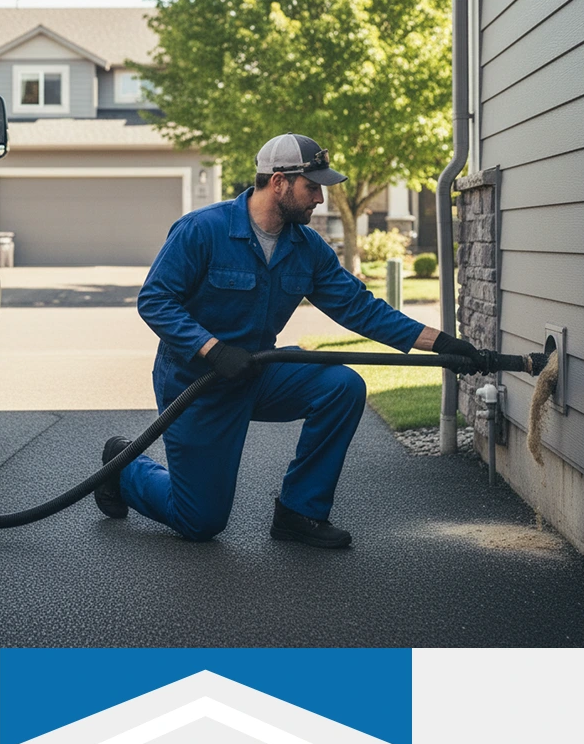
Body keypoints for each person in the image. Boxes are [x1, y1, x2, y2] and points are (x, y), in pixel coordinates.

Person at [94, 133, 484, 548]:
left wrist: (441, 343)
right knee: (200, 521)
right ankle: (125, 467)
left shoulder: (307, 247)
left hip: (259, 373)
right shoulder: (202, 231)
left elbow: (360, 308)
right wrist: (213, 349)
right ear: (279, 182)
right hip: (196, 384)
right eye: (312, 187)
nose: (320, 199)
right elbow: (155, 300)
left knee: (341, 387)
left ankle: (300, 512)